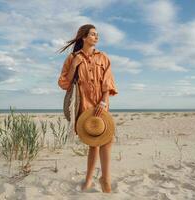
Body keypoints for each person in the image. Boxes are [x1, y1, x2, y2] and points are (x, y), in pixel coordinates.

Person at [57, 24, 118, 193]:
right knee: (94, 143)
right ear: (83, 37)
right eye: (92, 34)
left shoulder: (103, 57)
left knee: (107, 140)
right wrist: (74, 66)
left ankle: (105, 179)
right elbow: (64, 83)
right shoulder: (72, 58)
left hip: (101, 104)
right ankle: (90, 179)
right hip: (84, 105)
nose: (96, 37)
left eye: (97, 35)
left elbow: (108, 82)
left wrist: (104, 102)